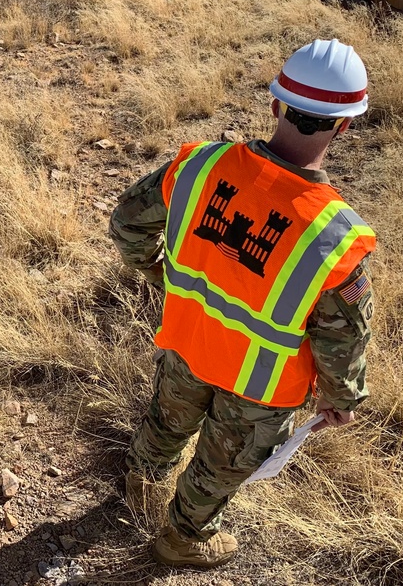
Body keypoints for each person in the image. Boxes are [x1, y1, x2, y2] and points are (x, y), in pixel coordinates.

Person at [109, 39, 377, 568]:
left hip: (187, 344)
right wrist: (341, 397)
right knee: (220, 464)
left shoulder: (198, 165)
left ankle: (141, 482)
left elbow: (127, 224)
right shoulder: (336, 236)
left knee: (165, 422)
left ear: (277, 105)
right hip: (261, 387)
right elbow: (340, 336)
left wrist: (161, 278)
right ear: (344, 125)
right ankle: (184, 538)